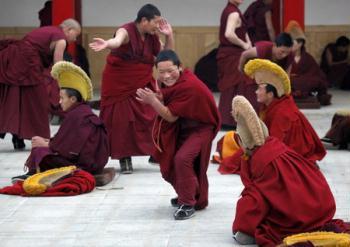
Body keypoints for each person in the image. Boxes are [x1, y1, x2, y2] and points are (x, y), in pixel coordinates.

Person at [230, 95, 340, 246]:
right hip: (320, 204)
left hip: (303, 215)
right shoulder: (271, 144)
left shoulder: (263, 160)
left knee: (246, 233)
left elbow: (256, 200)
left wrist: (242, 225)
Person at [135, 50, 220, 220]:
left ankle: (188, 203)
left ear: (180, 67)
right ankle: (189, 194)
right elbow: (169, 94)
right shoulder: (172, 80)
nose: (166, 76)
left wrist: (153, 101)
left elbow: (171, 116)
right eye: (162, 72)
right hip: (185, 126)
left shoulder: (189, 85)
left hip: (201, 128)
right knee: (169, 161)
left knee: (182, 159)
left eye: (170, 70)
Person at [89, 4, 174, 174]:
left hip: (142, 80)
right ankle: (124, 156)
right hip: (119, 83)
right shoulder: (126, 31)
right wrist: (106, 43)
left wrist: (169, 35)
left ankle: (154, 151)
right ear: (144, 20)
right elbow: (117, 41)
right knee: (122, 121)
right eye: (155, 22)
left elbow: (167, 56)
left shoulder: (152, 36)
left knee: (153, 115)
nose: (157, 26)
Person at [11, 61, 109, 185]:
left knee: (40, 151)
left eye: (62, 98)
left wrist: (46, 145)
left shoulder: (78, 115)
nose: (59, 102)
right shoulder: (80, 111)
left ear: (73, 99)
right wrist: (48, 142)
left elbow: (70, 149)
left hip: (82, 166)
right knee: (41, 147)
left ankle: (34, 174)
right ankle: (35, 172)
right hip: (89, 163)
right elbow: (69, 142)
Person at [0, 18, 81, 150]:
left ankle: (18, 136)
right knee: (37, 102)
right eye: (76, 35)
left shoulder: (50, 30)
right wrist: (64, 85)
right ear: (68, 30)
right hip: (26, 64)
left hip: (15, 60)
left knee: (17, 100)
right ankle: (39, 137)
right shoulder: (60, 39)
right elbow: (58, 65)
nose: (75, 39)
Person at [245, 58, 326, 162]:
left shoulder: (282, 112)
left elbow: (275, 143)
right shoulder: (270, 105)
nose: (256, 92)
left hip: (292, 151)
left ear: (270, 94)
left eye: (260, 89)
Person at [217, 0, 257, 130]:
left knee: (234, 85)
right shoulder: (233, 13)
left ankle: (228, 120)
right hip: (233, 54)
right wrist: (244, 45)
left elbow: (241, 31)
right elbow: (229, 34)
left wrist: (249, 46)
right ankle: (233, 120)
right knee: (238, 85)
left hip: (231, 53)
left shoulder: (229, 10)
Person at [285, 20, 332, 106]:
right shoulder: (284, 56)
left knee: (314, 81)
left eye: (291, 43)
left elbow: (316, 73)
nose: (288, 45)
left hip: (302, 82)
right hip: (290, 81)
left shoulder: (307, 58)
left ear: (300, 44)